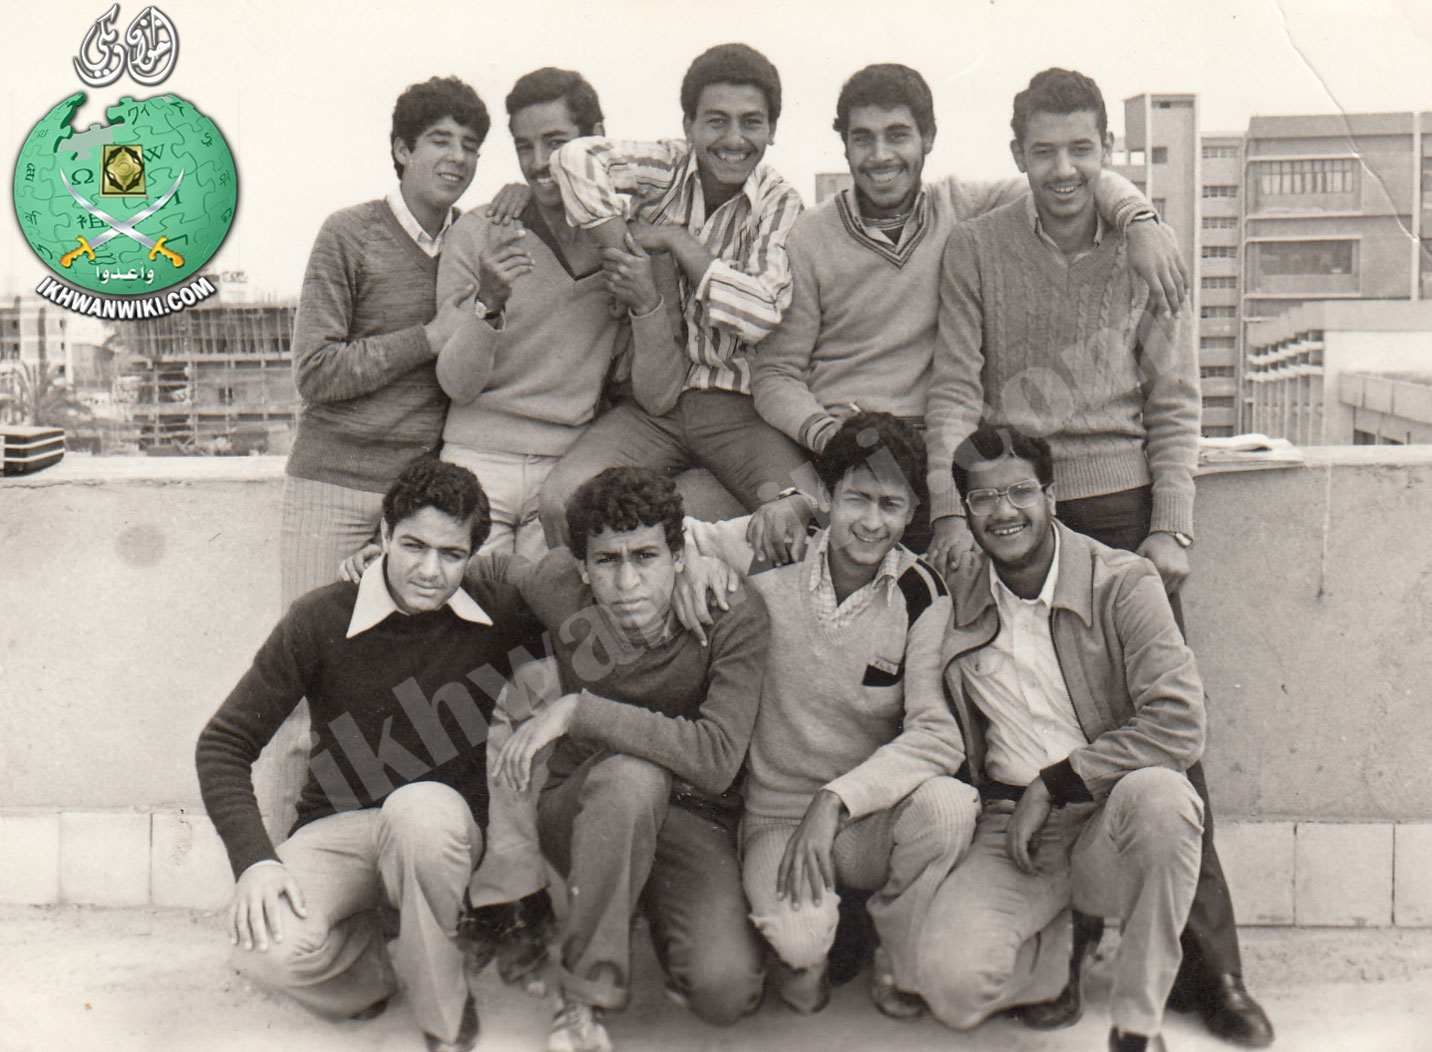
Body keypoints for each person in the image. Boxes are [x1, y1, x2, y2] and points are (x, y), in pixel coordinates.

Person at [926, 67, 1273, 1047]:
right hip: (1010, 504)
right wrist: (949, 511)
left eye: (1083, 148)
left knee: (1167, 745)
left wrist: (1171, 527)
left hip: (1118, 510)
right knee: (1030, 721)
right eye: (1044, 150)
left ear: (1108, 151)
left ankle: (1212, 970)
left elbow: (1174, 401)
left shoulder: (1144, 252)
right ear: (1017, 156)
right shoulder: (977, 247)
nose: (1064, 168)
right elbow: (953, 391)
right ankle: (1062, 957)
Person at [431, 66, 686, 986]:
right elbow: (456, 381)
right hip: (473, 463)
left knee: (555, 667)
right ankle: (488, 883)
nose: (542, 164)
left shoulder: (624, 236)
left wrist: (644, 297)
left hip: (566, 475)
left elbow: (657, 392)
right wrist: (490, 302)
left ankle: (535, 883)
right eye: (526, 145)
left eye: (560, 144)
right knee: (456, 662)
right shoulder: (482, 230)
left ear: (595, 143)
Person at [751, 63, 1186, 555]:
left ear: (928, 138)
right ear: (845, 145)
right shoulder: (810, 236)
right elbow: (774, 374)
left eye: (898, 136)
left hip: (947, 457)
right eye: (863, 138)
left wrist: (1140, 221)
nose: (880, 155)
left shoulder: (961, 207)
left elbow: (1071, 180)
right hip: (853, 456)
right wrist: (831, 437)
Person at [197, 458, 529, 1052]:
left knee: (418, 810)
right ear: (383, 535)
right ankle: (376, 974)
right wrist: (255, 862)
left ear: (473, 555)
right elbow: (223, 743)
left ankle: (443, 1009)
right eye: (414, 546)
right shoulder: (321, 616)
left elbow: (585, 605)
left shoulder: (496, 614)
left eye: (452, 554)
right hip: (337, 830)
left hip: (439, 830)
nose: (430, 570)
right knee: (264, 951)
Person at [916, 426, 1205, 1052]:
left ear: (1051, 496)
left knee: (1165, 800)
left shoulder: (1123, 581)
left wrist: (1057, 784)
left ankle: (1137, 1023)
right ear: (965, 511)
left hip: (1106, 813)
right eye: (983, 498)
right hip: (1013, 826)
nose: (1004, 512)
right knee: (951, 985)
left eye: (1021, 492)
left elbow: (1180, 722)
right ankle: (1060, 937)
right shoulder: (954, 592)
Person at [682, 413, 977, 1019]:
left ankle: (893, 946)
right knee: (801, 956)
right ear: (825, 495)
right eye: (857, 498)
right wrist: (697, 564)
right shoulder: (773, 551)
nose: (871, 522)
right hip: (779, 816)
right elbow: (675, 536)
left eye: (891, 505)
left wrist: (837, 800)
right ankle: (814, 941)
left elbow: (936, 736)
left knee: (948, 809)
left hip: (862, 816)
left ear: (912, 512)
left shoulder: (922, 593)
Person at [258, 77, 490, 842]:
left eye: (470, 145)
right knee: (304, 697)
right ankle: (277, 880)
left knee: (404, 697)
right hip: (331, 487)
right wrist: (428, 336)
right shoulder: (349, 234)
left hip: (417, 507)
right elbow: (316, 371)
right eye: (439, 141)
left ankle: (375, 881)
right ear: (401, 149)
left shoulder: (473, 243)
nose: (457, 158)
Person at [489, 467, 769, 1052]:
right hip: (583, 806)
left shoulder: (730, 612)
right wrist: (377, 570)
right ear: (582, 568)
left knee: (725, 992)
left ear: (679, 557)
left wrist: (580, 710)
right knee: (630, 776)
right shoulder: (559, 586)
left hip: (692, 815)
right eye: (607, 562)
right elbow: (491, 568)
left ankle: (644, 904)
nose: (626, 582)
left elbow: (718, 758)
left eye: (645, 557)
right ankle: (581, 995)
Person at [533, 43, 812, 545]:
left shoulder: (780, 202)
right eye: (716, 121)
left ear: (772, 129)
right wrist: (628, 256)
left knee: (809, 510)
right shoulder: (667, 167)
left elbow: (761, 312)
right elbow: (573, 158)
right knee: (564, 501)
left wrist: (678, 243)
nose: (734, 139)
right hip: (652, 410)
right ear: (688, 125)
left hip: (739, 411)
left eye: (751, 122)